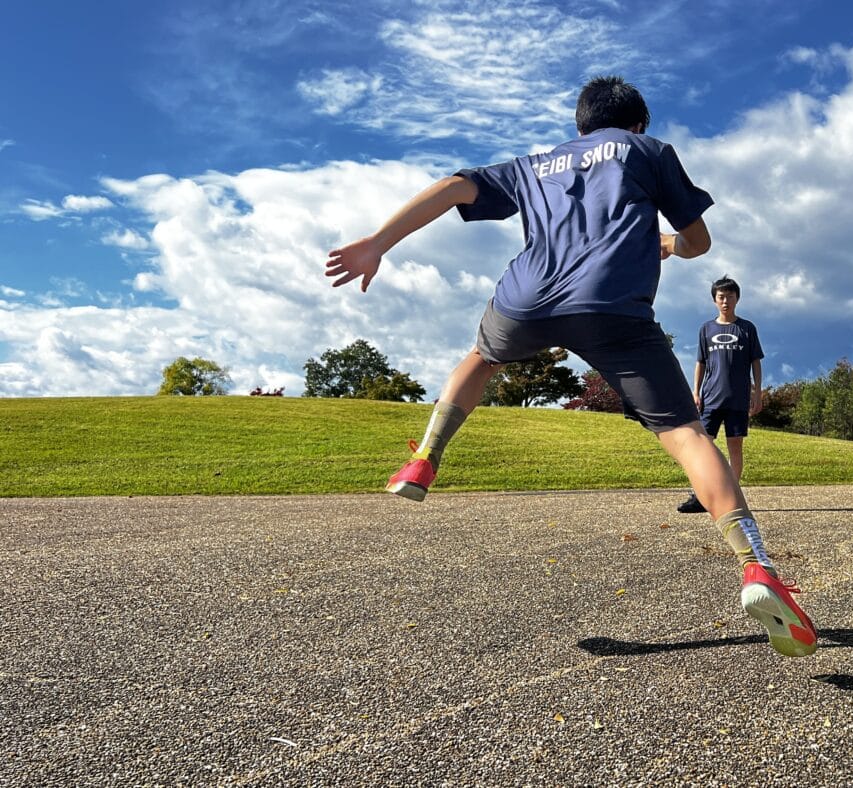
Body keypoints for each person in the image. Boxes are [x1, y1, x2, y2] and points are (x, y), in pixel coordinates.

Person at [322, 76, 816, 657]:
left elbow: (455, 186)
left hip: (526, 299)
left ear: (580, 125)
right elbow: (698, 240)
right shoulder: (646, 151)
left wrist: (379, 241)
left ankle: (424, 459)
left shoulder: (536, 164)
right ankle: (756, 567)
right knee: (685, 433)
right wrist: (670, 246)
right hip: (612, 304)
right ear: (636, 123)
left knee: (481, 358)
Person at [676, 276, 764, 514]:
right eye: (721, 297)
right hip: (711, 398)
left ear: (737, 298)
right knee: (703, 446)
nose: (726, 301)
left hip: (738, 398)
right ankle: (701, 496)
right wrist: (695, 391)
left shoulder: (747, 328)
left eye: (730, 296)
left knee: (735, 447)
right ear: (715, 300)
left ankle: (731, 495)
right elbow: (700, 362)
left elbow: (755, 361)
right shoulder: (707, 329)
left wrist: (758, 392)